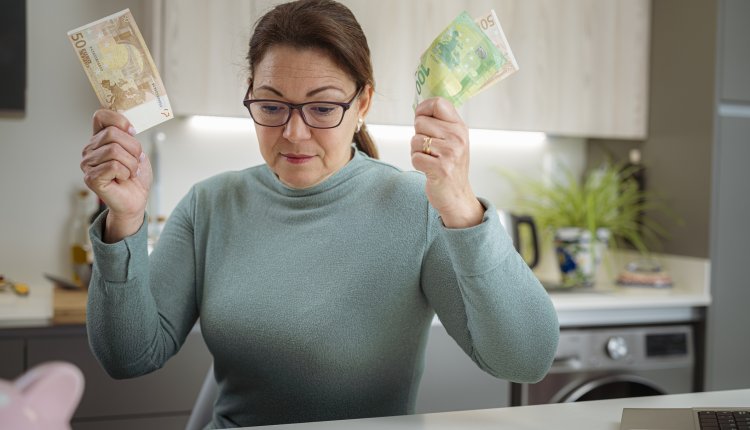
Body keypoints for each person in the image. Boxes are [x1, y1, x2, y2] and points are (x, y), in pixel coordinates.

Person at [80, 0, 559, 428]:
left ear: (362, 103)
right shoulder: (209, 204)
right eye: (271, 105)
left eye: (323, 108)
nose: (293, 132)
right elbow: (129, 357)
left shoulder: (419, 208)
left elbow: (526, 360)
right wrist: (123, 222)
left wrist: (461, 207)